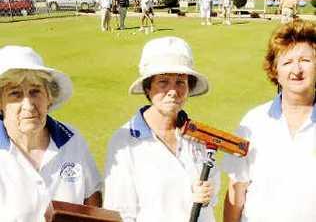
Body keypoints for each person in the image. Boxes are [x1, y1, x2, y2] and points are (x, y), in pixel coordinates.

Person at [103, 36, 220, 222]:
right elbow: (120, 215)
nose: (173, 91)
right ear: (148, 88)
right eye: (163, 82)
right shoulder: (124, 143)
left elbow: (213, 197)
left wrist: (208, 194)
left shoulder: (199, 136)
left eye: (181, 81)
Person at [222, 20, 316, 222]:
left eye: (305, 60)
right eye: (287, 62)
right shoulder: (253, 122)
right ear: (275, 71)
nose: (297, 69)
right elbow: (236, 191)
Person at [0, 45, 102, 221]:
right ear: (1, 104)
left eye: (35, 92)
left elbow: (92, 199)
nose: (28, 105)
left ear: (49, 97)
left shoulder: (73, 139)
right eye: (15, 94)